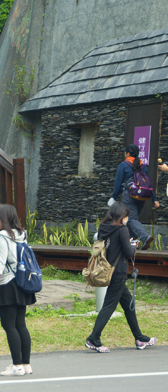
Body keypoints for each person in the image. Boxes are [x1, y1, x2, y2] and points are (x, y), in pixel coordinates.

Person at [85, 202, 157, 353]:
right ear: (122, 216)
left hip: (108, 270)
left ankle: (139, 338)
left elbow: (114, 247)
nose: (127, 219)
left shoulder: (104, 228)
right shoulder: (122, 229)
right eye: (126, 217)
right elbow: (129, 252)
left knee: (129, 305)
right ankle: (93, 339)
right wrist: (134, 245)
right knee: (109, 307)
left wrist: (127, 245)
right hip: (118, 273)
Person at [0, 205, 35, 377]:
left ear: (3, 218)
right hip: (23, 283)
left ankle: (16, 366)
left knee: (9, 325)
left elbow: (0, 261)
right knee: (20, 324)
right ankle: (25, 364)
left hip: (8, 283)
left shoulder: (2, 236)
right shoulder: (22, 235)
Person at [109, 144, 160, 250]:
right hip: (142, 197)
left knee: (131, 219)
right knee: (133, 219)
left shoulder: (123, 165)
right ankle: (133, 243)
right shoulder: (142, 165)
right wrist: (154, 199)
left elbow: (118, 183)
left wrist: (114, 197)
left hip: (130, 195)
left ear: (128, 153)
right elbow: (148, 184)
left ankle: (145, 237)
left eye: (125, 152)